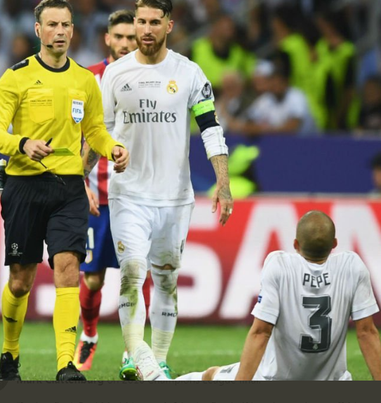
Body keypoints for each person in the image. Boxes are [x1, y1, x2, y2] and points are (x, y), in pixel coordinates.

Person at [0, 0, 129, 382]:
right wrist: (22, 143)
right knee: (21, 279)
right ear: (38, 30)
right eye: (52, 25)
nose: (61, 31)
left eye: (66, 24)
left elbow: (95, 129)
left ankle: (66, 364)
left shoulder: (84, 80)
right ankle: (10, 354)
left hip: (68, 188)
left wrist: (111, 147)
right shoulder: (14, 78)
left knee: (68, 269)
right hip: (24, 185)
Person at [99, 0, 232, 380]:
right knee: (131, 273)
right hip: (128, 193)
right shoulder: (116, 74)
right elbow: (100, 131)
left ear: (169, 25)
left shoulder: (188, 72)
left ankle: (156, 359)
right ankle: (137, 357)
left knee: (167, 279)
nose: (146, 29)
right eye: (141, 21)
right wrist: (90, 171)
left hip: (175, 198)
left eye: (155, 22)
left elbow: (210, 127)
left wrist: (223, 184)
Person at [141, 211, 381, 381]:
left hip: (274, 381)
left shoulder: (279, 265)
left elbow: (261, 332)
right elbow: (367, 332)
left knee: (211, 375)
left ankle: (157, 380)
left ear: (295, 244)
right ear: (334, 244)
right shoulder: (352, 266)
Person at [74, 9, 144, 375]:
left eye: (131, 38)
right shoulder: (88, 78)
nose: (125, 44)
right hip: (98, 193)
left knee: (135, 273)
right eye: (119, 37)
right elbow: (75, 135)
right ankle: (88, 336)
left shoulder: (149, 75)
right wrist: (80, 181)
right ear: (108, 39)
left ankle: (134, 348)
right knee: (94, 277)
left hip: (136, 194)